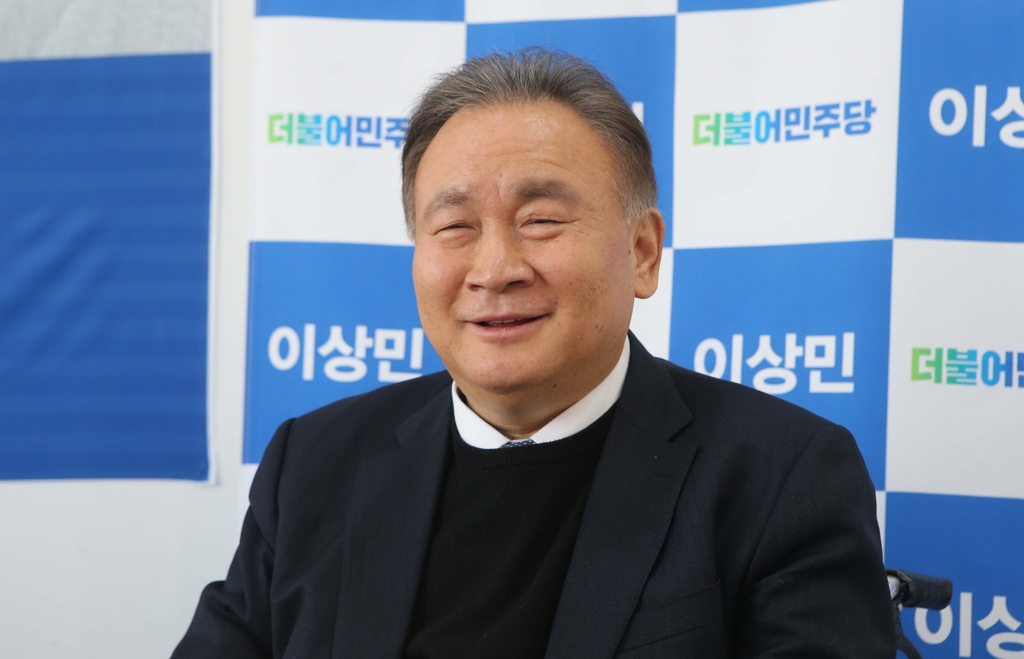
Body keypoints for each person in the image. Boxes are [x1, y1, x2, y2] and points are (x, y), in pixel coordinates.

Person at [174, 49, 895, 658]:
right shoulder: (313, 463)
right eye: (454, 226)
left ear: (643, 252)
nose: (495, 269)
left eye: (541, 219)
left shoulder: (782, 476)